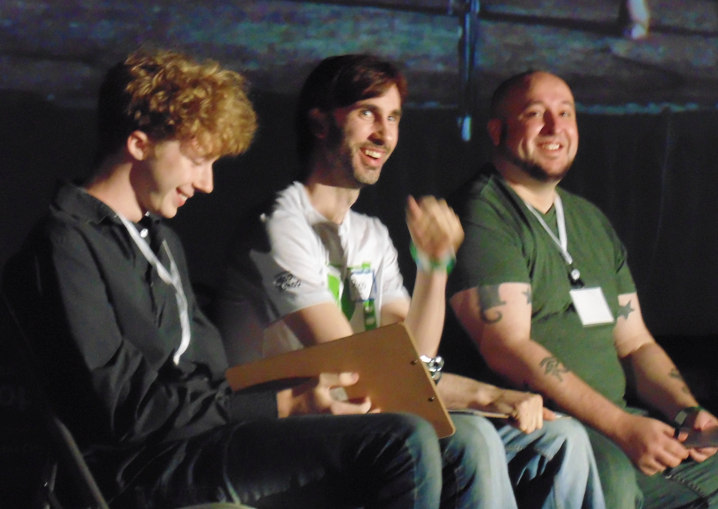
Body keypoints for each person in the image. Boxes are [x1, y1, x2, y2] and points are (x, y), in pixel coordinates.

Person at [1, 48, 455, 509]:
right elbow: (124, 411)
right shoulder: (67, 243)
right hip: (141, 468)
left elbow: (212, 375)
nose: (207, 184)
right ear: (139, 145)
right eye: (199, 160)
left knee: (446, 442)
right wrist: (283, 405)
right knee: (401, 441)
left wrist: (295, 399)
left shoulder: (159, 240)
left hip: (206, 442)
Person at [216, 54, 605, 509]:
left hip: (370, 422)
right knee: (472, 436)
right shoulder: (281, 225)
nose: (384, 134)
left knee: (560, 438)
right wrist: (485, 395)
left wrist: (434, 267)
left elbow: (414, 364)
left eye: (394, 117)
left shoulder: (370, 234)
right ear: (320, 124)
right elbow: (365, 373)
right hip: (286, 440)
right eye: (367, 114)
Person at [448, 69, 718, 508]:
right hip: (545, 431)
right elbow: (506, 346)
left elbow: (635, 342)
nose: (555, 128)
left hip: (619, 423)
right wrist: (622, 428)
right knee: (607, 476)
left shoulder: (588, 219)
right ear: (497, 131)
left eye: (565, 113)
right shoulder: (483, 211)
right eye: (536, 114)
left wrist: (686, 413)